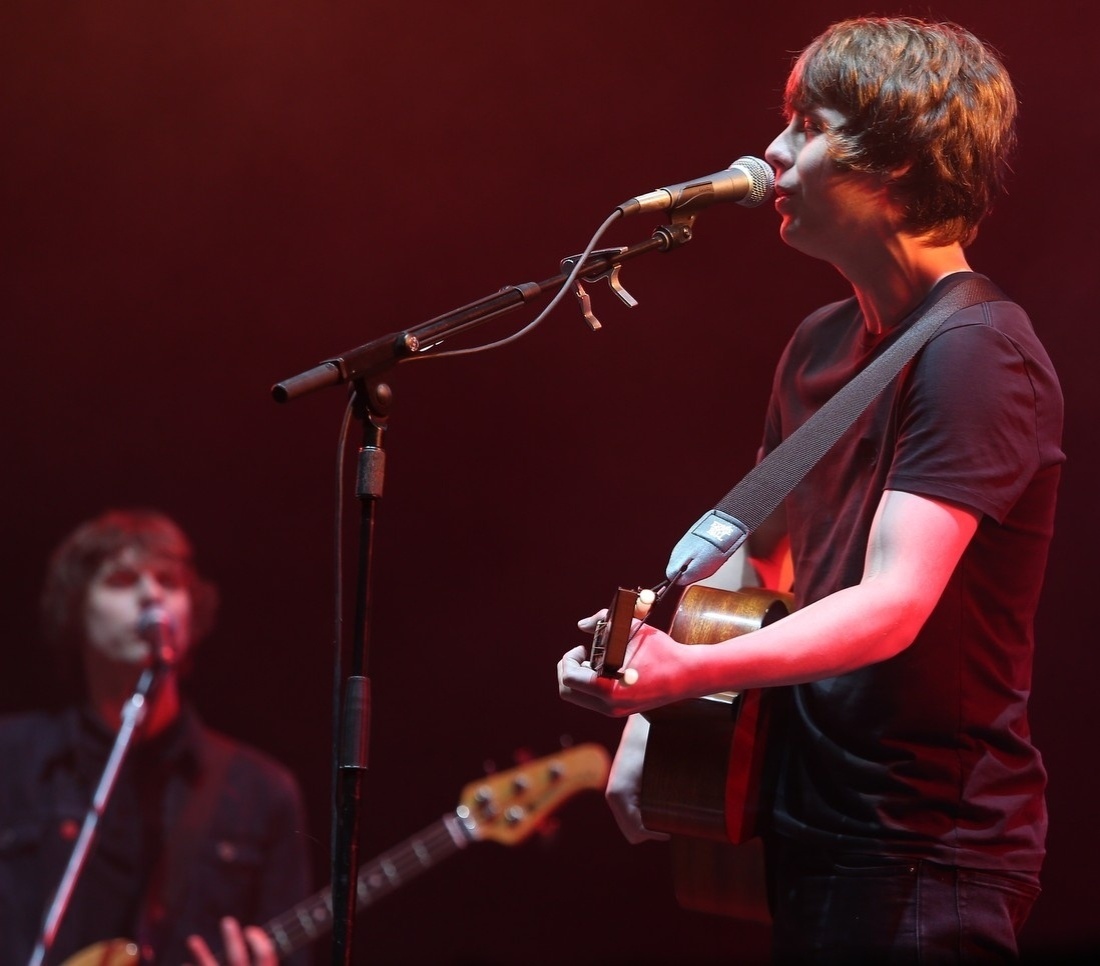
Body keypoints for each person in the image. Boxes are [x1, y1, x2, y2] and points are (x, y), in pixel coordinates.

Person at [558, 16, 1063, 963]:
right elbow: (761, 561)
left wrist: (690, 673)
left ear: (895, 165)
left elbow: (893, 605)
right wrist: (658, 707)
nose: (772, 154)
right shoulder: (819, 346)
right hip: (807, 816)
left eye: (807, 126)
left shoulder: (977, 355)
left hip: (923, 847)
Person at [0, 509, 313, 965]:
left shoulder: (260, 792)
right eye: (123, 580)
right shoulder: (11, 761)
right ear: (74, 608)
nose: (152, 595)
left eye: (169, 581)